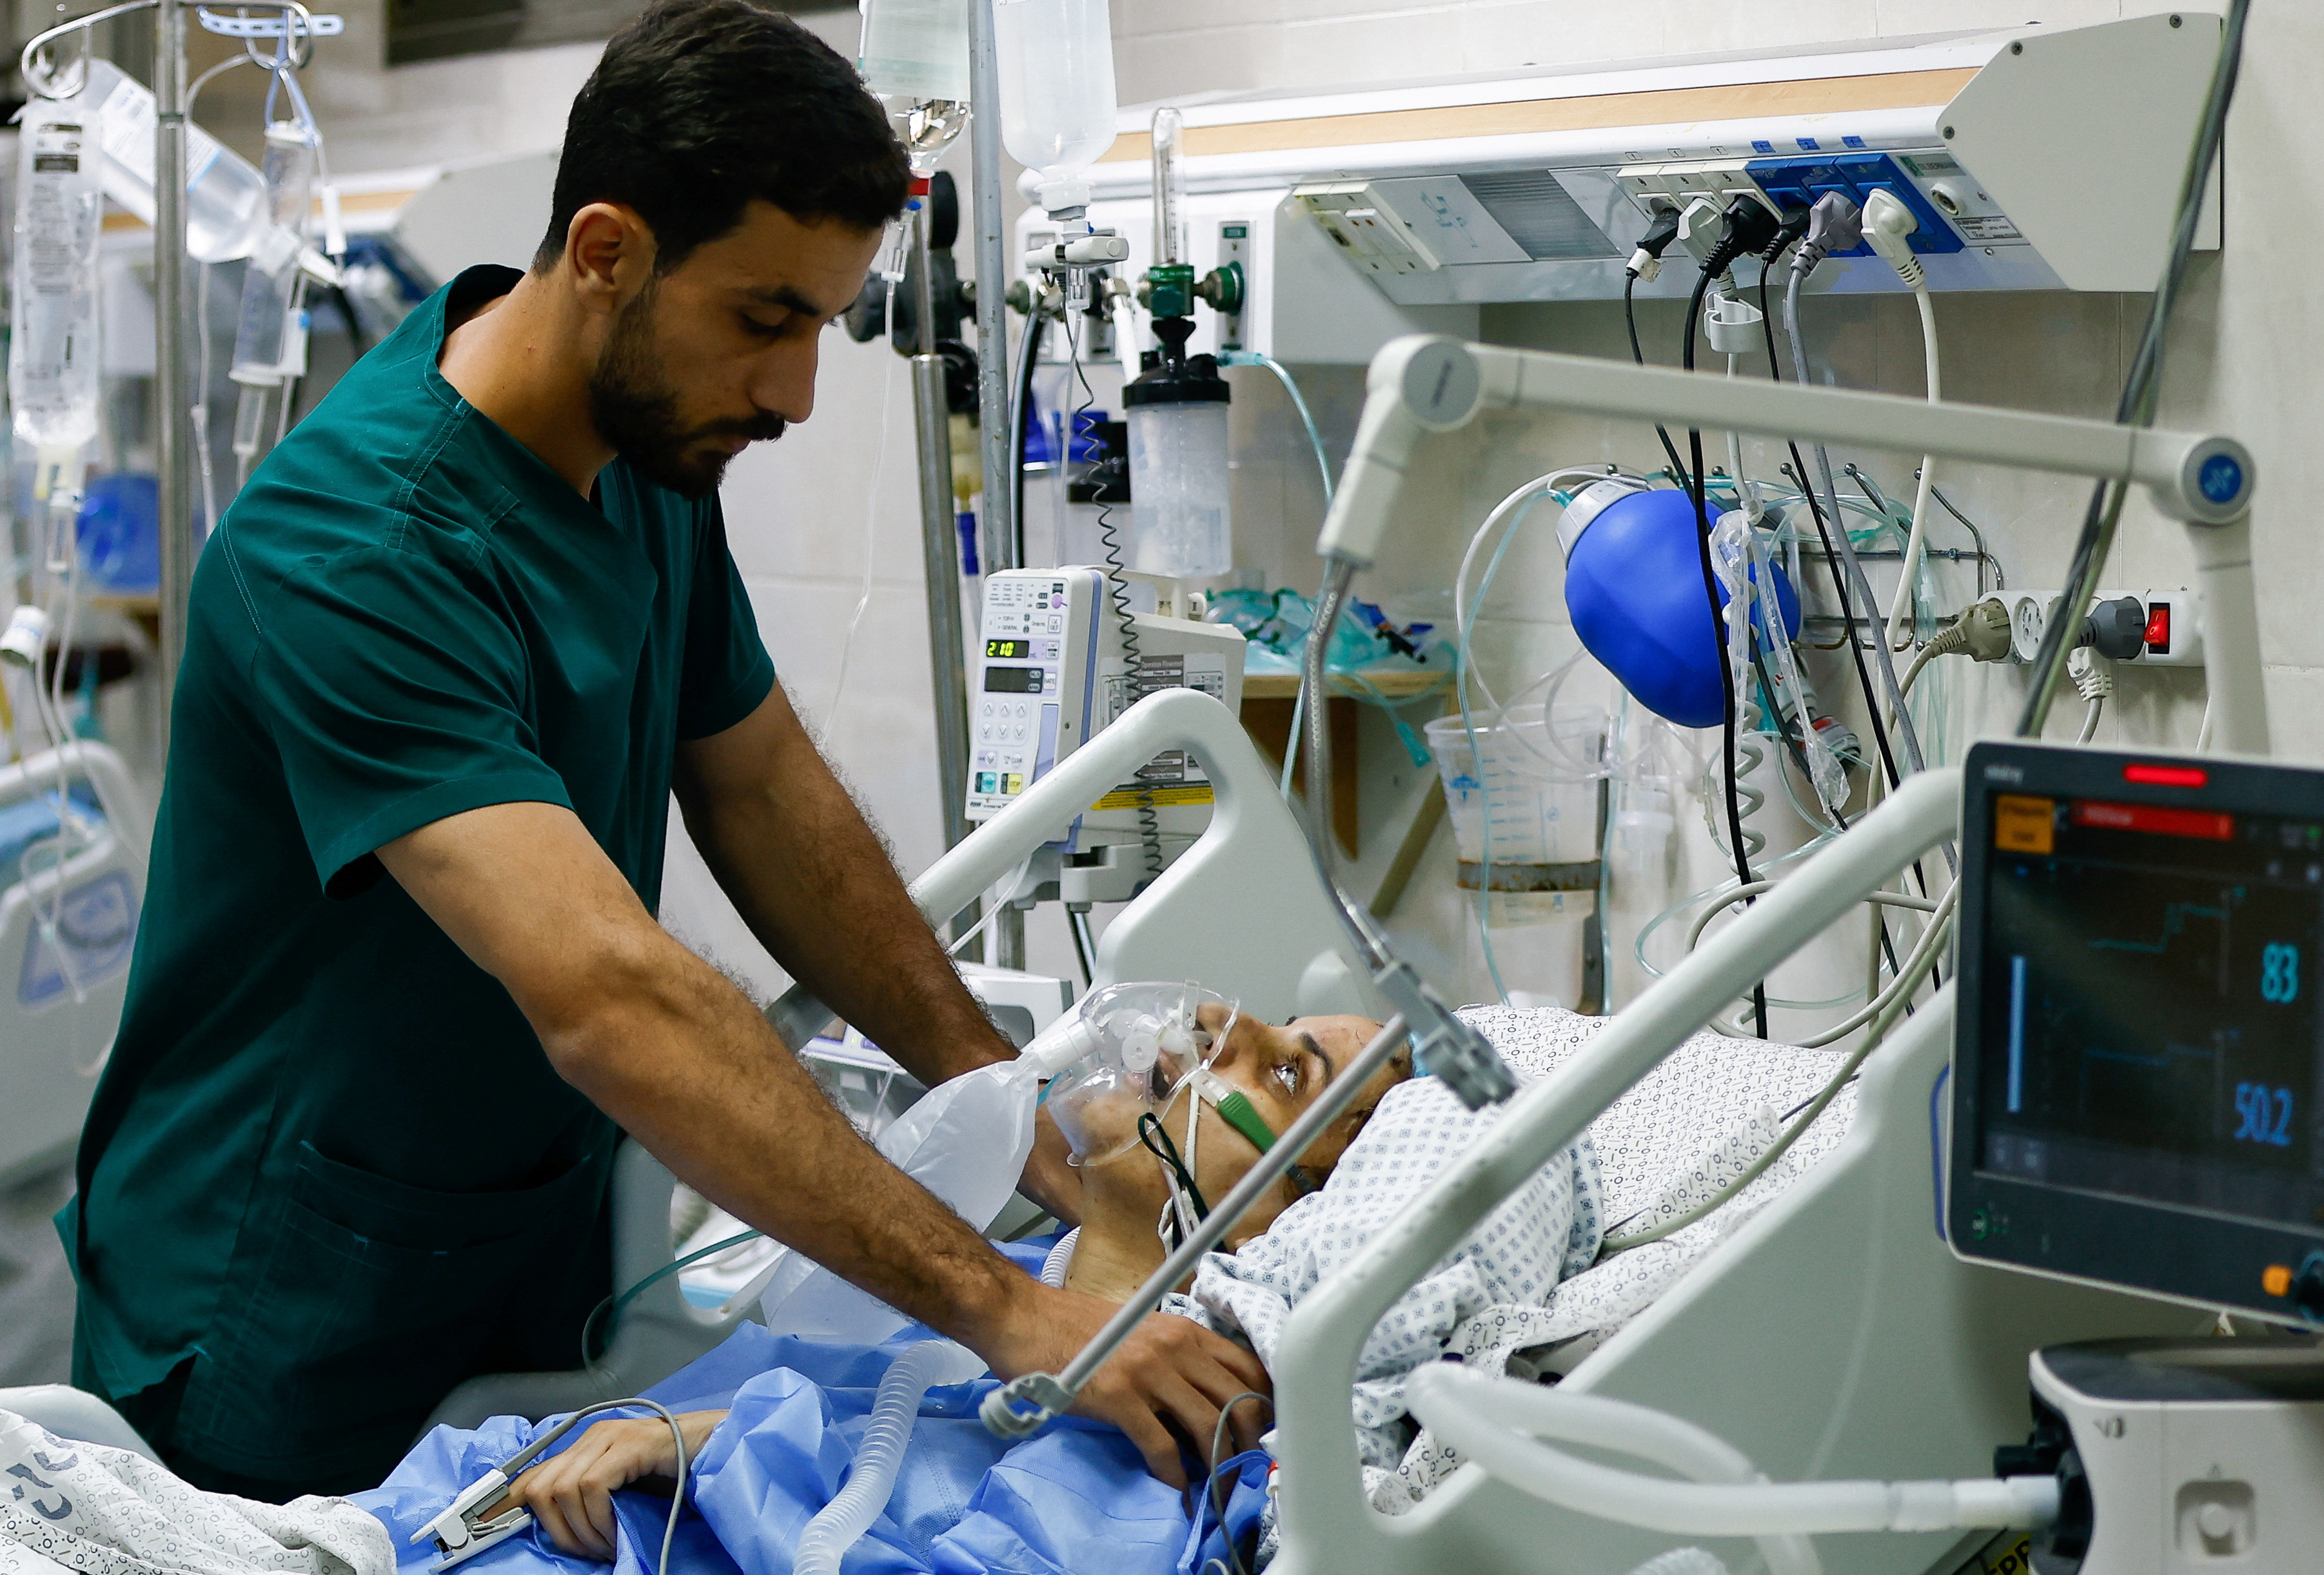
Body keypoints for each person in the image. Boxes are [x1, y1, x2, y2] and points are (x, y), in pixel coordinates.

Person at [60, 0, 1259, 1500]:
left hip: (503, 1240)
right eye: (765, 320)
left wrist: (998, 1094)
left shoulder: (637, 461)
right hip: (280, 1296)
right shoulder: (354, 548)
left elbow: (760, 785)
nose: (795, 392)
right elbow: (608, 993)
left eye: (821, 324)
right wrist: (1011, 1308)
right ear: (607, 251)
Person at [487, 1008, 1403, 1561]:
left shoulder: (1175, 1438)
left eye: (1287, 1072)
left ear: (1298, 1214)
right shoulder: (991, 1304)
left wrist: (706, 1455)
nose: (1214, 1020)